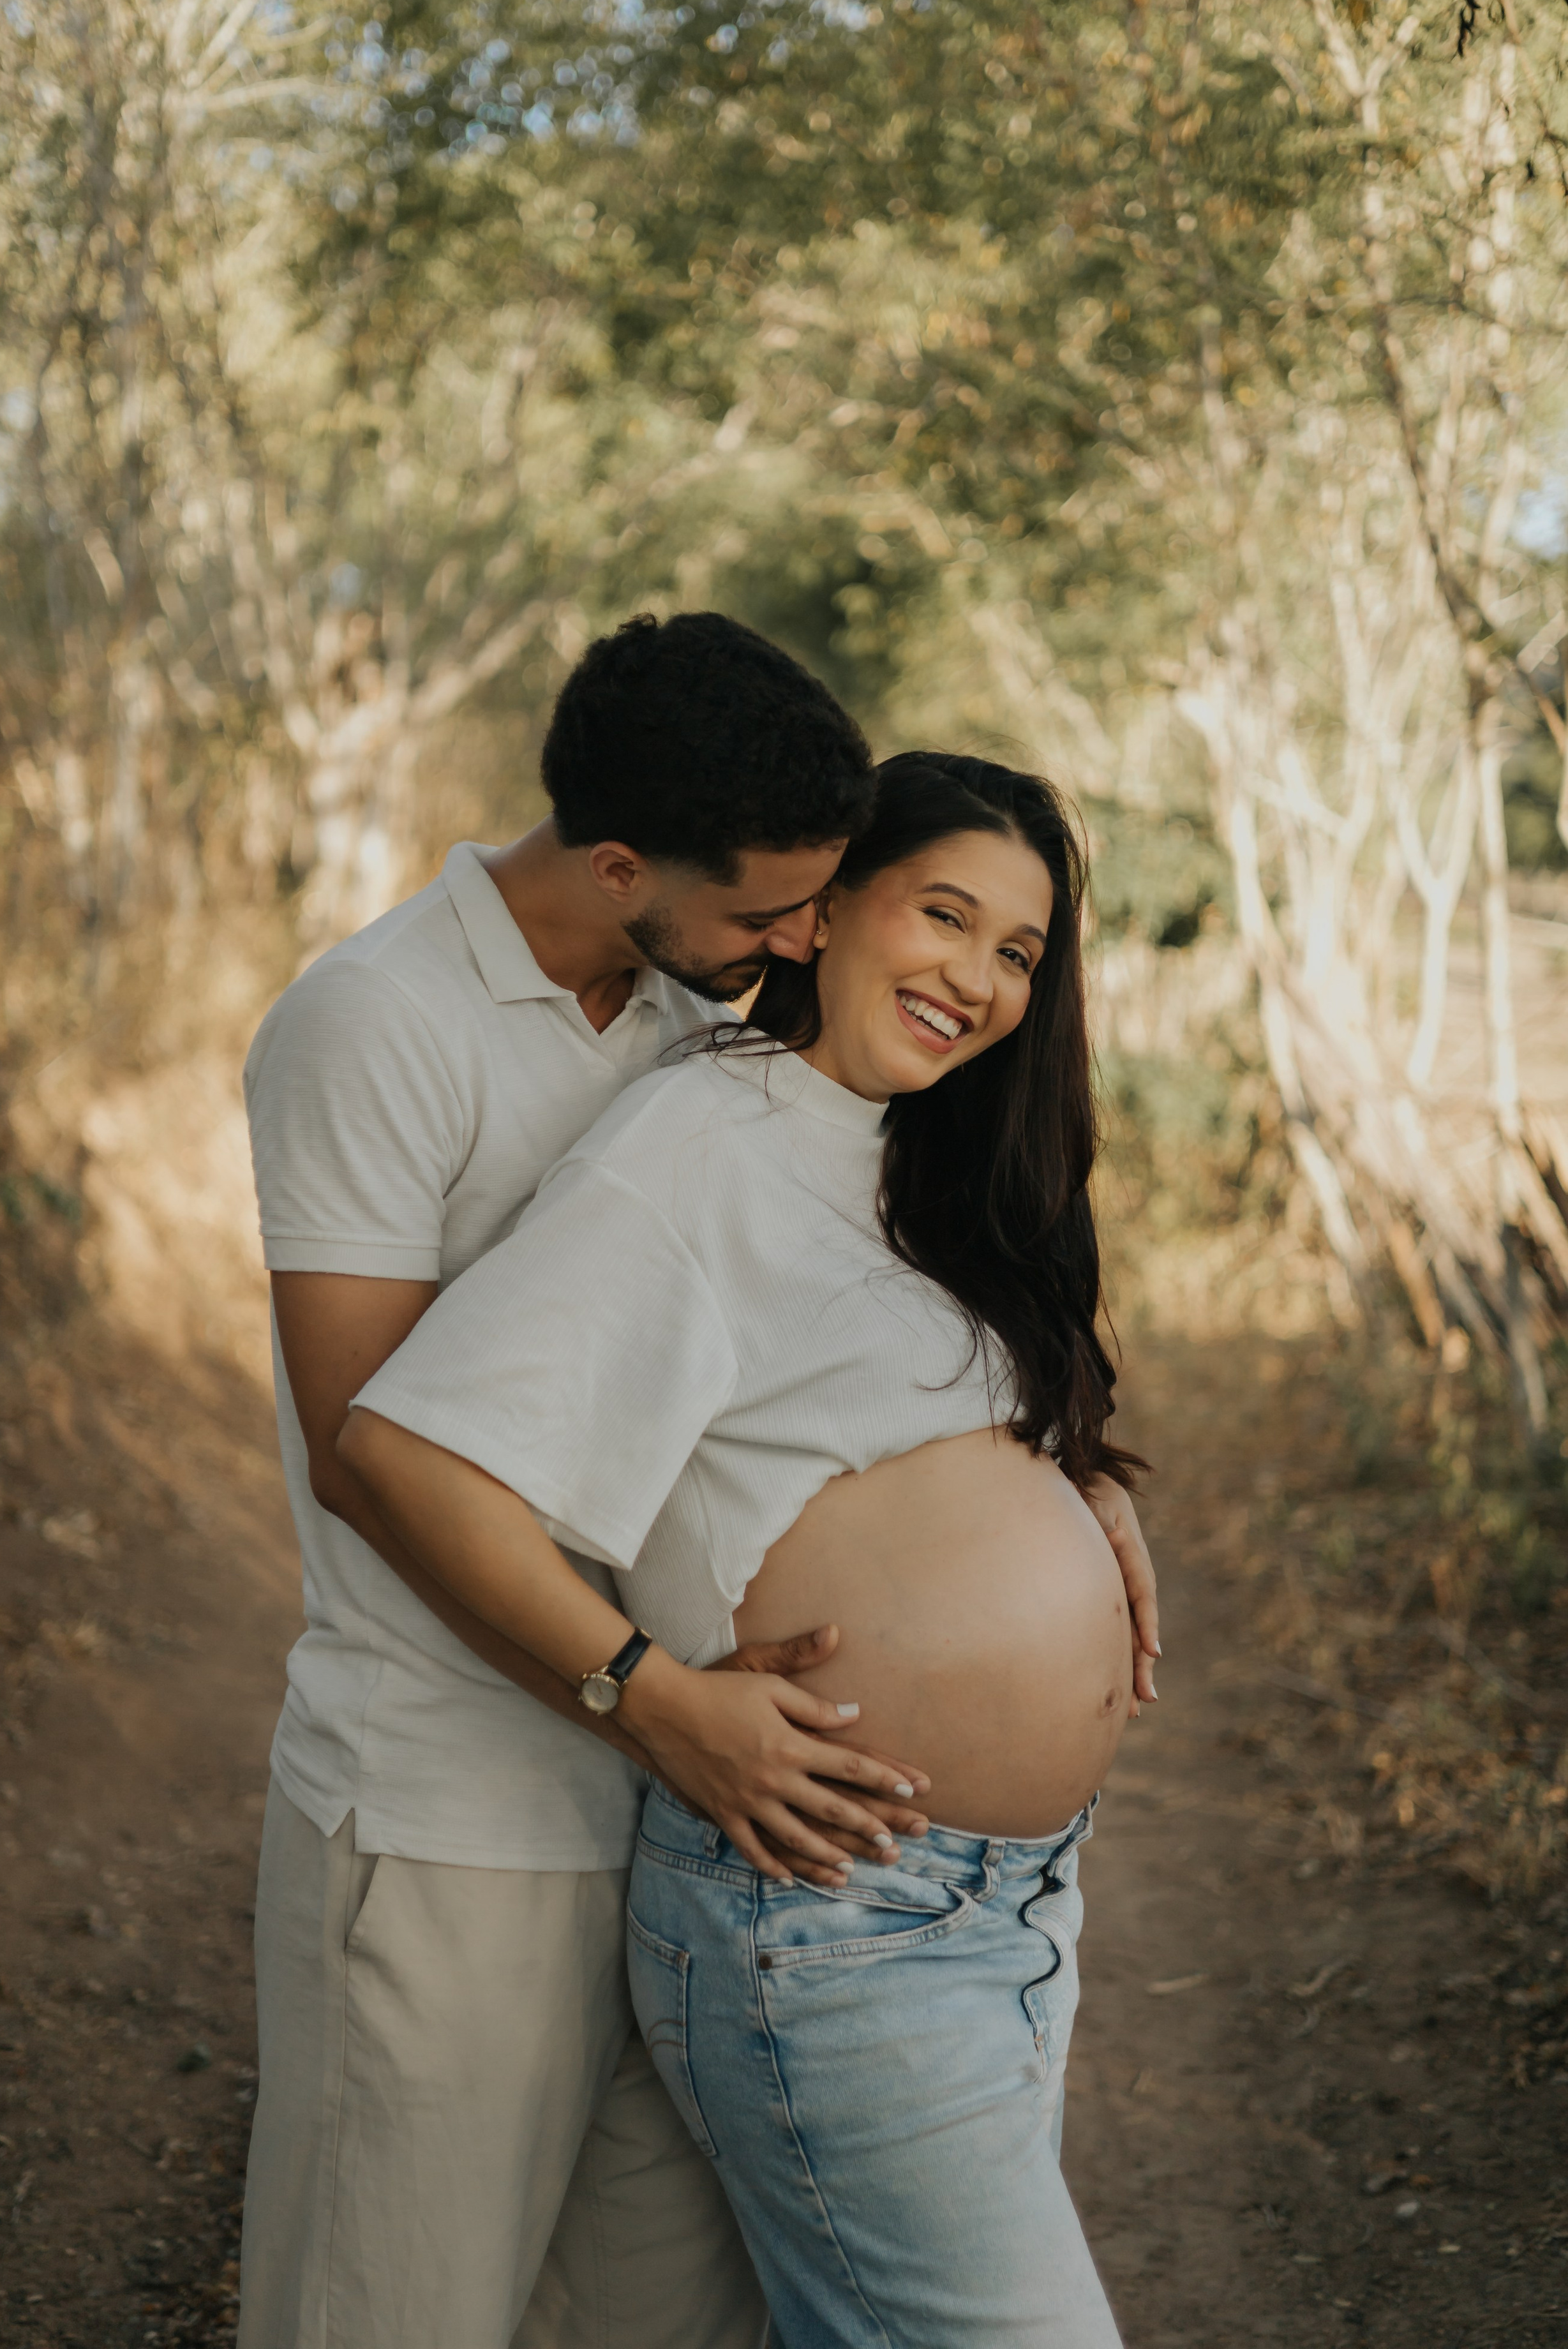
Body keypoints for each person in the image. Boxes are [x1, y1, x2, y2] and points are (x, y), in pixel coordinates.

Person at [340, 749, 1160, 2349]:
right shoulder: (697, 1142)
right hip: (829, 1913)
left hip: (996, 1907)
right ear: (823, 908)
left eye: (1017, 954)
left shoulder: (910, 1159)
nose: (979, 980)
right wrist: (647, 1696)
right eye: (944, 914)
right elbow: (405, 1453)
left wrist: (1068, 1486)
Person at [237, 610, 941, 2349]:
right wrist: (654, 1701)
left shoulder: (706, 1013)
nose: (800, 940)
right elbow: (368, 1466)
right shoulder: (373, 1023)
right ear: (618, 861)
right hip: (451, 1824)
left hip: (688, 1836)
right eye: (766, 908)